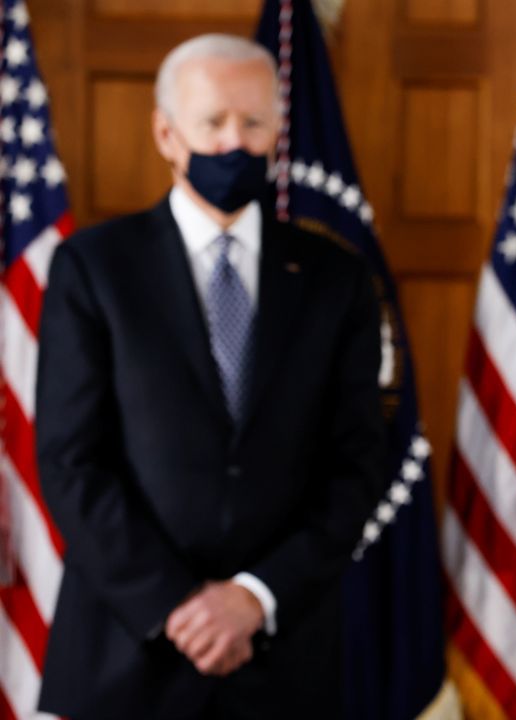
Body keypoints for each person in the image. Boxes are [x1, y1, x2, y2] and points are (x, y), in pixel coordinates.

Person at [35, 34, 384, 718]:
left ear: (278, 132)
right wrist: (178, 604)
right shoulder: (94, 268)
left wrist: (253, 596)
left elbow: (357, 464)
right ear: (167, 134)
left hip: (281, 663)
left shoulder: (336, 279)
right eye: (213, 123)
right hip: (122, 655)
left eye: (254, 124)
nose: (235, 142)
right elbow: (72, 461)